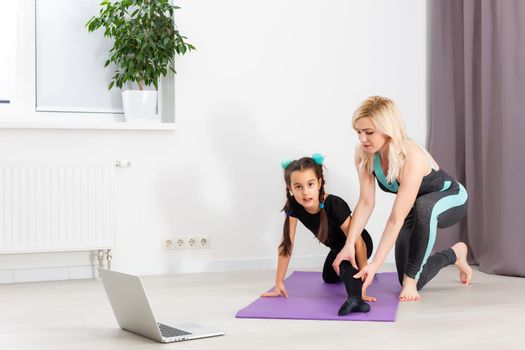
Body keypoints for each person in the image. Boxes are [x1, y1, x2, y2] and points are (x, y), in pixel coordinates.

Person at [332, 96, 472, 302]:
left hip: (452, 198)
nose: (362, 139)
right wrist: (349, 243)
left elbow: (395, 219)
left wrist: (375, 264)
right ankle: (455, 254)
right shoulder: (364, 154)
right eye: (358, 132)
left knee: (425, 208)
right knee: (411, 276)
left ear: (388, 129)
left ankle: (410, 282)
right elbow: (366, 202)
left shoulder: (411, 156)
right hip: (415, 207)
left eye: (369, 132)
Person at [261, 154, 374, 315]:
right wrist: (279, 282)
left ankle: (356, 300)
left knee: (344, 265)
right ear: (290, 188)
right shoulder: (293, 205)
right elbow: (287, 243)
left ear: (319, 183)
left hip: (358, 244)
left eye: (310, 184)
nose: (305, 192)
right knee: (328, 277)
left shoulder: (334, 204)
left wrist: (363, 283)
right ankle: (352, 274)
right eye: (298, 187)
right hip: (337, 249)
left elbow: (359, 243)